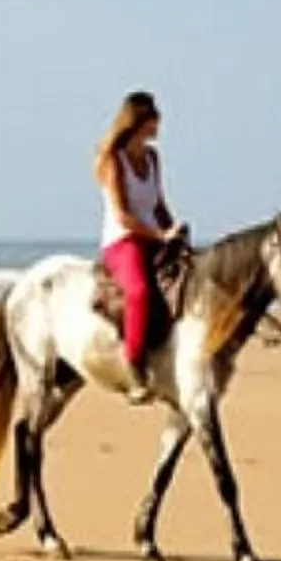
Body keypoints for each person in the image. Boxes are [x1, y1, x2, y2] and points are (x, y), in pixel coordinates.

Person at [95, 90, 185, 401]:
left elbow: (158, 205)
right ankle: (133, 364)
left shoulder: (152, 158)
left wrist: (173, 229)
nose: (158, 124)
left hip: (153, 236)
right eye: (153, 119)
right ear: (138, 122)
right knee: (139, 292)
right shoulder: (113, 160)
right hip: (124, 241)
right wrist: (160, 236)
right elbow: (123, 215)